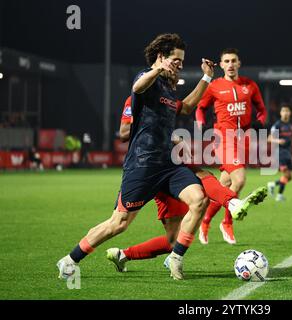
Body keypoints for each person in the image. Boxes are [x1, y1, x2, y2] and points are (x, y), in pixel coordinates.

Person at [57, 33, 216, 281]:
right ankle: (69, 260)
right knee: (118, 223)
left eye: (182, 61)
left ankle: (175, 258)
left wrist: (206, 78)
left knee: (199, 200)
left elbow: (185, 107)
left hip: (168, 164)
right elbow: (137, 87)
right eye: (176, 60)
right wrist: (156, 70)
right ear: (161, 58)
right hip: (142, 165)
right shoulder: (147, 79)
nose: (180, 65)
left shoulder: (169, 88)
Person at [104, 96, 268, 272]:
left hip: (161, 170)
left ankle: (123, 255)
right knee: (201, 176)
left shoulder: (162, 97)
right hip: (156, 171)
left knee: (173, 240)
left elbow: (185, 107)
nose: (176, 71)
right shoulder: (140, 98)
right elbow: (127, 131)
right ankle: (232, 203)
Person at [195, 48, 267, 245]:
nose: (230, 64)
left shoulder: (249, 85)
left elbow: (262, 110)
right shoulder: (214, 86)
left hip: (243, 139)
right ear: (221, 65)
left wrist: (259, 123)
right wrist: (200, 122)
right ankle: (227, 222)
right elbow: (201, 107)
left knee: (224, 186)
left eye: (234, 60)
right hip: (223, 137)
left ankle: (206, 221)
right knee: (240, 179)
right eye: (226, 61)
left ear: (239, 63)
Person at [267, 105, 292, 201]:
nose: (285, 113)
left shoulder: (291, 125)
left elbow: (291, 136)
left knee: (290, 177)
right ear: (280, 113)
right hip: (280, 153)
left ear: (290, 113)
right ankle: (279, 196)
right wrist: (278, 141)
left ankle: (273, 184)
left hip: (288, 152)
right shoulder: (277, 125)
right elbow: (269, 139)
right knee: (286, 174)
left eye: (287, 111)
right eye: (283, 111)